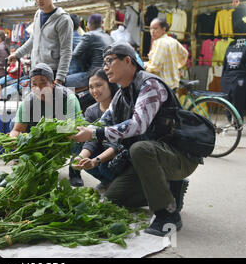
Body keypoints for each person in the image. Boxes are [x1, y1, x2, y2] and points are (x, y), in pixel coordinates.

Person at [70, 42, 199, 237]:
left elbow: (138, 125)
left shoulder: (150, 85)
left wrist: (94, 133)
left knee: (139, 149)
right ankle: (170, 190)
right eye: (104, 63)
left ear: (128, 61)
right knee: (114, 198)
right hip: (152, 156)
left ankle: (168, 215)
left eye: (109, 62)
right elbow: (104, 122)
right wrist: (80, 131)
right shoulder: (122, 93)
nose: (105, 67)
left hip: (178, 156)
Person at [8, 0, 73, 85]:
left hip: (52, 73)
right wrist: (17, 54)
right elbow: (34, 39)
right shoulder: (38, 14)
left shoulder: (63, 19)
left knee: (53, 102)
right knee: (34, 102)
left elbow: (66, 51)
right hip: (35, 71)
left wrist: (60, 78)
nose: (38, 0)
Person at [68, 68, 119, 188]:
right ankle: (106, 181)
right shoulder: (91, 110)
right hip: (102, 151)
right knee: (77, 147)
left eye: (99, 85)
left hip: (119, 153)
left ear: (110, 84)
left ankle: (116, 181)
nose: (94, 91)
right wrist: (80, 158)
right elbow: (91, 139)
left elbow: (118, 144)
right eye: (91, 87)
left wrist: (96, 160)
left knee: (103, 165)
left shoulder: (120, 107)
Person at [9, 63, 81, 138]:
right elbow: (17, 130)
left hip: (64, 135)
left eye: (43, 83)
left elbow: (73, 128)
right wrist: (13, 139)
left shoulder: (68, 97)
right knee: (14, 122)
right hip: (41, 135)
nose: (39, 89)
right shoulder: (28, 101)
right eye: (34, 84)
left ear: (52, 83)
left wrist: (47, 131)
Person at [65, 13, 113, 89]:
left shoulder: (89, 35)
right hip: (108, 74)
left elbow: (76, 54)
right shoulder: (109, 37)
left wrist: (85, 68)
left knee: (61, 82)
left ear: (89, 24)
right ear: (101, 24)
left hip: (94, 74)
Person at [144, 18, 188, 91]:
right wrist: (176, 66)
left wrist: (144, 68)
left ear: (163, 29)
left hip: (163, 85)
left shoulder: (160, 42)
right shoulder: (173, 41)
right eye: (151, 29)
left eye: (155, 28)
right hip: (174, 83)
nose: (152, 31)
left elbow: (155, 66)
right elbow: (184, 54)